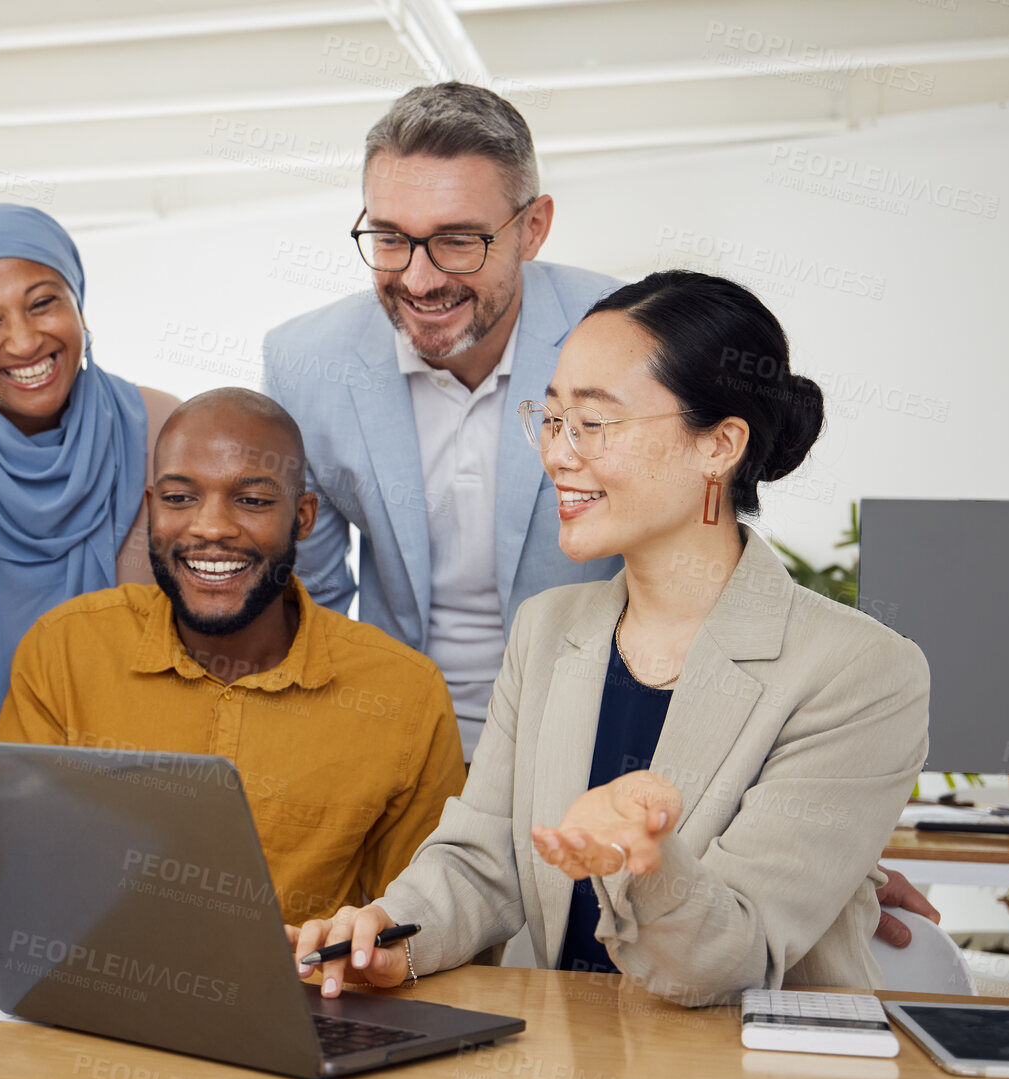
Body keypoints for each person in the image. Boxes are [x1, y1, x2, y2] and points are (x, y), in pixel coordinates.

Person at [290, 272, 931, 1005]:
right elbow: (480, 861)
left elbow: (732, 961)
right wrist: (387, 936)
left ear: (719, 444)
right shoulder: (547, 629)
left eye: (593, 423)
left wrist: (646, 860)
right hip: (566, 1069)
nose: (559, 453)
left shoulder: (860, 671)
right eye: (551, 418)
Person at [0, 389, 466, 924]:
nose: (211, 527)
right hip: (83, 998)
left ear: (304, 517)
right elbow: (11, 872)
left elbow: (422, 929)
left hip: (305, 1002)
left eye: (253, 500)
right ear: (151, 510)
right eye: (179, 499)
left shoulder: (403, 693)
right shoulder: (66, 649)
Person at [263, 82, 622, 759]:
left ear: (533, 227)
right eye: (390, 238)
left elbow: (679, 561)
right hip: (399, 738)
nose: (419, 281)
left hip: (598, 738)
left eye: (458, 241)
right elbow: (309, 600)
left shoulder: (627, 331)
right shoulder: (304, 363)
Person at [0, 203, 179, 735]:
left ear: (80, 309)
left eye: (44, 304)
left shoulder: (164, 428)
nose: (25, 341)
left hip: (158, 759)